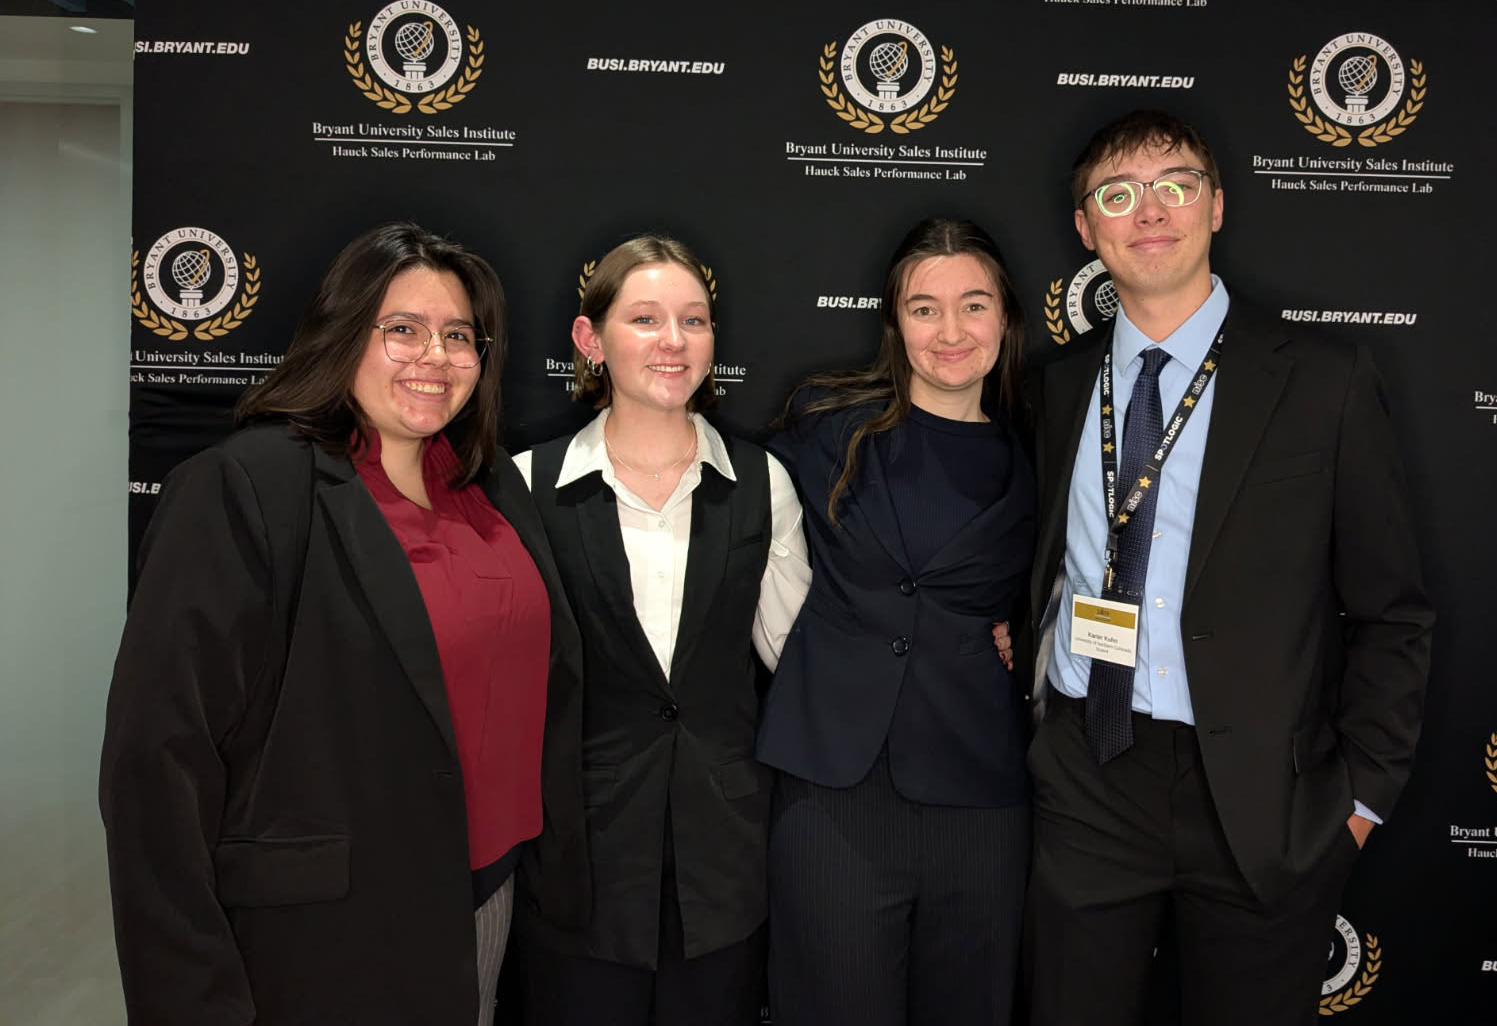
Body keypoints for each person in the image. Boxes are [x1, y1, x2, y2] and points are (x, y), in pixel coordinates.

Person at [99, 222, 585, 1026]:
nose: (435, 355)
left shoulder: (490, 486)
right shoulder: (246, 488)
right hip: (324, 929)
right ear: (342, 334)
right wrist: (186, 993)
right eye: (402, 329)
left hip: (488, 896)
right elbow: (155, 764)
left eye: (457, 335)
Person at [1021, 109, 1434, 1024]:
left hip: (1258, 794)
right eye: (1118, 195)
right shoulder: (1055, 387)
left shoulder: (1323, 379)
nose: (1151, 211)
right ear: (1088, 231)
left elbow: (1391, 610)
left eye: (1175, 185)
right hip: (1092, 773)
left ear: (1216, 206)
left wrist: (1359, 800)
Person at [509, 235, 810, 1026]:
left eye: (694, 320)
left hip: (725, 860)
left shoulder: (760, 482)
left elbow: (800, 653)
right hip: (579, 861)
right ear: (590, 339)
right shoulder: (526, 486)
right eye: (645, 318)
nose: (674, 342)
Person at [760, 218, 1035, 1026]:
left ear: (1007, 318)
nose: (950, 331)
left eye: (974, 305)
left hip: (980, 793)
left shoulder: (1044, 454)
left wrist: (1023, 628)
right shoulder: (824, 426)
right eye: (924, 308)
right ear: (895, 322)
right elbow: (733, 520)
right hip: (834, 791)